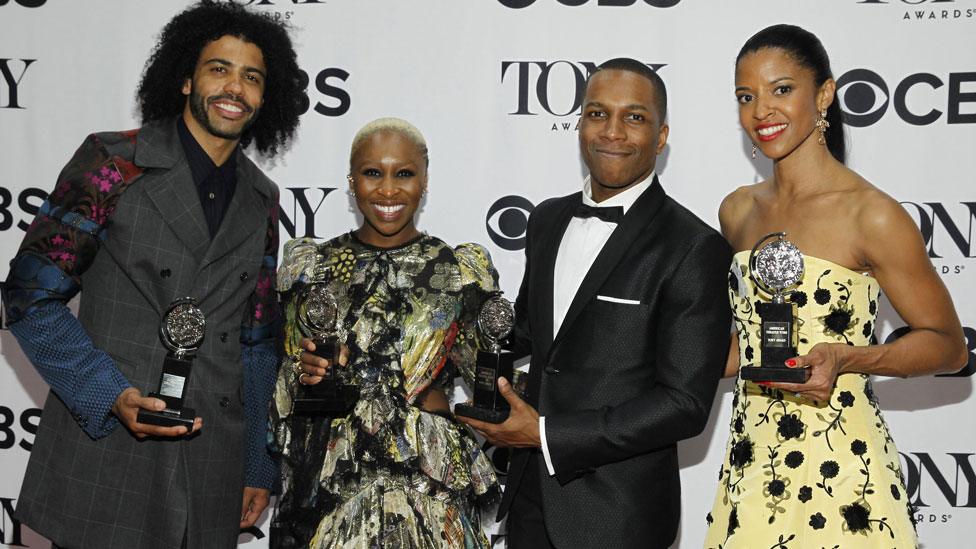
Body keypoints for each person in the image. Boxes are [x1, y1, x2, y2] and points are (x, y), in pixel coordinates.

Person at [0, 2, 304, 547]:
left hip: (212, 467)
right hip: (109, 457)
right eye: (219, 68)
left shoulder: (262, 199)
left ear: (266, 96)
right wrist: (108, 394)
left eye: (251, 76)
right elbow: (28, 298)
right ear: (185, 79)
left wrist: (257, 465)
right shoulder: (114, 162)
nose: (234, 87)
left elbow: (257, 345)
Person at [704, 24, 968, 548]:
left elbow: (949, 345)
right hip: (749, 465)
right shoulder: (736, 211)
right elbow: (737, 348)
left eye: (782, 89)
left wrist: (849, 359)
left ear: (824, 93)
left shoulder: (871, 214)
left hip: (844, 471)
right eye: (746, 96)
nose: (762, 111)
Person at [458, 58, 733, 549]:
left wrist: (546, 435)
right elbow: (525, 333)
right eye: (597, 113)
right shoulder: (547, 219)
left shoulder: (692, 247)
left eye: (634, 117)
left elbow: (685, 404)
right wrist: (425, 333)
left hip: (619, 517)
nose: (613, 132)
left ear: (661, 134)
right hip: (528, 503)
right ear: (580, 122)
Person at [268, 117, 500, 548]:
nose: (388, 190)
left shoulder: (457, 271)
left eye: (404, 173)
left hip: (428, 487)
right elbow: (287, 385)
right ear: (351, 181)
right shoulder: (314, 268)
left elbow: (490, 383)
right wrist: (306, 372)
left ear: (425, 180)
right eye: (372, 173)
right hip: (336, 486)